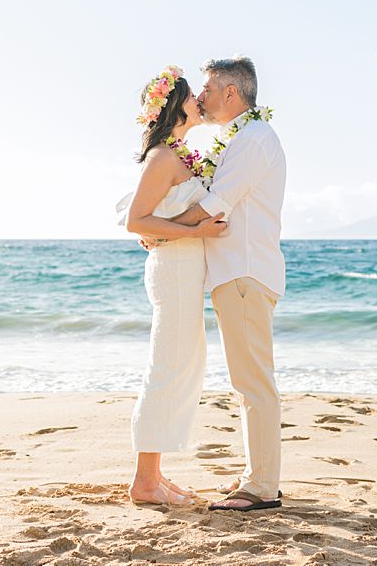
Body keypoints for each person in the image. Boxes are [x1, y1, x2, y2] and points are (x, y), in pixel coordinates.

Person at [157, 55, 287, 512]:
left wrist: (156, 227)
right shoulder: (243, 137)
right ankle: (259, 474)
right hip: (238, 274)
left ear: (231, 93)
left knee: (253, 382)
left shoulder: (253, 139)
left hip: (245, 273)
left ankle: (263, 487)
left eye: (209, 89)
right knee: (247, 380)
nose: (203, 97)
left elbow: (217, 204)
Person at [121, 65, 228, 506]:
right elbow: (135, 221)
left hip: (184, 272)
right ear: (174, 107)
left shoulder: (179, 153)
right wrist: (196, 232)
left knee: (182, 368)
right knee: (166, 371)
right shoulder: (162, 158)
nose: (198, 101)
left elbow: (157, 219)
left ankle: (155, 476)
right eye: (190, 97)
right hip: (173, 273)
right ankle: (145, 482)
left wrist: (176, 231)